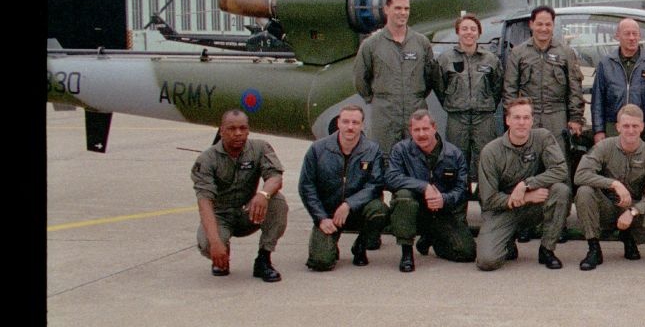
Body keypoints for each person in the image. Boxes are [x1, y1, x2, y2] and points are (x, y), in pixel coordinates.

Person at [191, 108, 289, 282]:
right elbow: (204, 202)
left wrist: (263, 194)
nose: (238, 133)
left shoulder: (259, 148)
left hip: (249, 212)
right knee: (207, 244)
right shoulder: (207, 159)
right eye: (231, 129)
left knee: (277, 201)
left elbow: (275, 176)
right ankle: (222, 256)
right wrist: (215, 242)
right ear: (221, 131)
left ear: (248, 130)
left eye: (243, 128)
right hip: (220, 215)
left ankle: (263, 259)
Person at [475, 96, 571, 271]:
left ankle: (547, 249)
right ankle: (507, 242)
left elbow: (560, 170)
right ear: (507, 120)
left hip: (534, 207)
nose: (521, 122)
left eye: (526, 118)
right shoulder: (491, 152)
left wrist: (526, 184)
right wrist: (525, 197)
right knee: (487, 262)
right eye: (516, 118)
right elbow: (488, 200)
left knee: (561, 190)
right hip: (502, 210)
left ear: (532, 120)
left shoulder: (543, 138)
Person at [573, 104, 645, 269]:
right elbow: (580, 175)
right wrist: (613, 184)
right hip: (606, 205)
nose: (630, 130)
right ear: (618, 127)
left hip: (632, 207)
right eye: (626, 126)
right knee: (584, 191)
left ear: (642, 127)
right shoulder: (604, 147)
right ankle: (594, 247)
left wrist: (634, 211)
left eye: (635, 126)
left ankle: (629, 237)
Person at [297, 104, 388, 272]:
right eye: (346, 122)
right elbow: (306, 186)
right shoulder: (318, 149)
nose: (350, 127)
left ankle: (360, 245)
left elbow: (375, 184)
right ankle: (331, 245)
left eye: (355, 122)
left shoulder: (372, 150)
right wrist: (321, 217)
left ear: (362, 125)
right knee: (321, 263)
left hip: (357, 210)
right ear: (338, 123)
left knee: (380, 210)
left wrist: (349, 204)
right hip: (329, 214)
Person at [353, 0, 441, 156]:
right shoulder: (371, 44)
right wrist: (378, 100)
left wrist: (415, 95)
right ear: (387, 10)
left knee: (416, 158)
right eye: (398, 8)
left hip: (414, 111)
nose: (403, 13)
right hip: (384, 114)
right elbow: (360, 79)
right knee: (383, 159)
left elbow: (430, 78)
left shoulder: (421, 43)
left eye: (406, 9)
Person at [386, 109, 475, 271]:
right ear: (410, 131)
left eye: (425, 129)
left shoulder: (454, 154)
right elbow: (392, 178)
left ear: (434, 127)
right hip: (415, 211)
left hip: (442, 211)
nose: (421, 134)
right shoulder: (401, 150)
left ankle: (432, 238)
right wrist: (424, 187)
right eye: (416, 130)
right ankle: (407, 252)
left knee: (467, 253)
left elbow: (462, 189)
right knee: (404, 195)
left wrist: (444, 199)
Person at [503, 4, 585, 178]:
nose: (543, 28)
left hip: (556, 115)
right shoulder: (518, 53)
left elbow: (575, 88)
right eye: (539, 24)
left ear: (553, 26)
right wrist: (512, 117)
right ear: (531, 24)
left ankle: (560, 202)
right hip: (528, 116)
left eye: (548, 24)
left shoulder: (566, 53)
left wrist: (576, 118)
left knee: (558, 162)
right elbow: (509, 89)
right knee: (526, 162)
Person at [436, 14, 503, 185]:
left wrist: (487, 104)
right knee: (456, 161)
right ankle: (458, 206)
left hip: (484, 118)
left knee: (486, 160)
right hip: (457, 118)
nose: (469, 32)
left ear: (479, 33)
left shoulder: (490, 59)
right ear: (458, 32)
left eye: (473, 29)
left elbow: (497, 86)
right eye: (464, 28)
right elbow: (439, 86)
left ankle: (486, 204)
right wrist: (453, 102)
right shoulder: (445, 59)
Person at [591, 17, 645, 146]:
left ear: (640, 36)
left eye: (635, 34)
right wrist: (598, 130)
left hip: (643, 128)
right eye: (627, 34)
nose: (632, 38)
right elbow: (597, 100)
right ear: (617, 36)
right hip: (613, 127)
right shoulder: (605, 64)